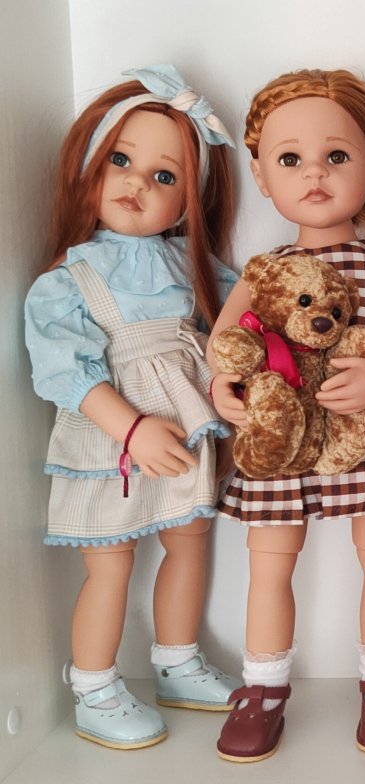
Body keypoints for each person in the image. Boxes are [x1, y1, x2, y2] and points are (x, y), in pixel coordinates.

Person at [208, 68, 365, 762]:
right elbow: (225, 343)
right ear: (261, 176)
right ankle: (263, 690)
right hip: (282, 435)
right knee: (270, 561)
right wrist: (225, 386)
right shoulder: (262, 274)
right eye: (290, 158)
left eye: (336, 156)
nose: (314, 173)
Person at [24, 64, 241, 750]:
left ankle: (178, 662)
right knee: (110, 561)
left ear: (188, 203)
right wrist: (133, 429)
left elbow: (236, 328)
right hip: (112, 438)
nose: (137, 183)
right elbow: (66, 371)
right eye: (121, 160)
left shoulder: (194, 268)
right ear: (88, 166)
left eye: (164, 175)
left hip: (185, 432)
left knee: (190, 540)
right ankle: (93, 686)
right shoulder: (71, 276)